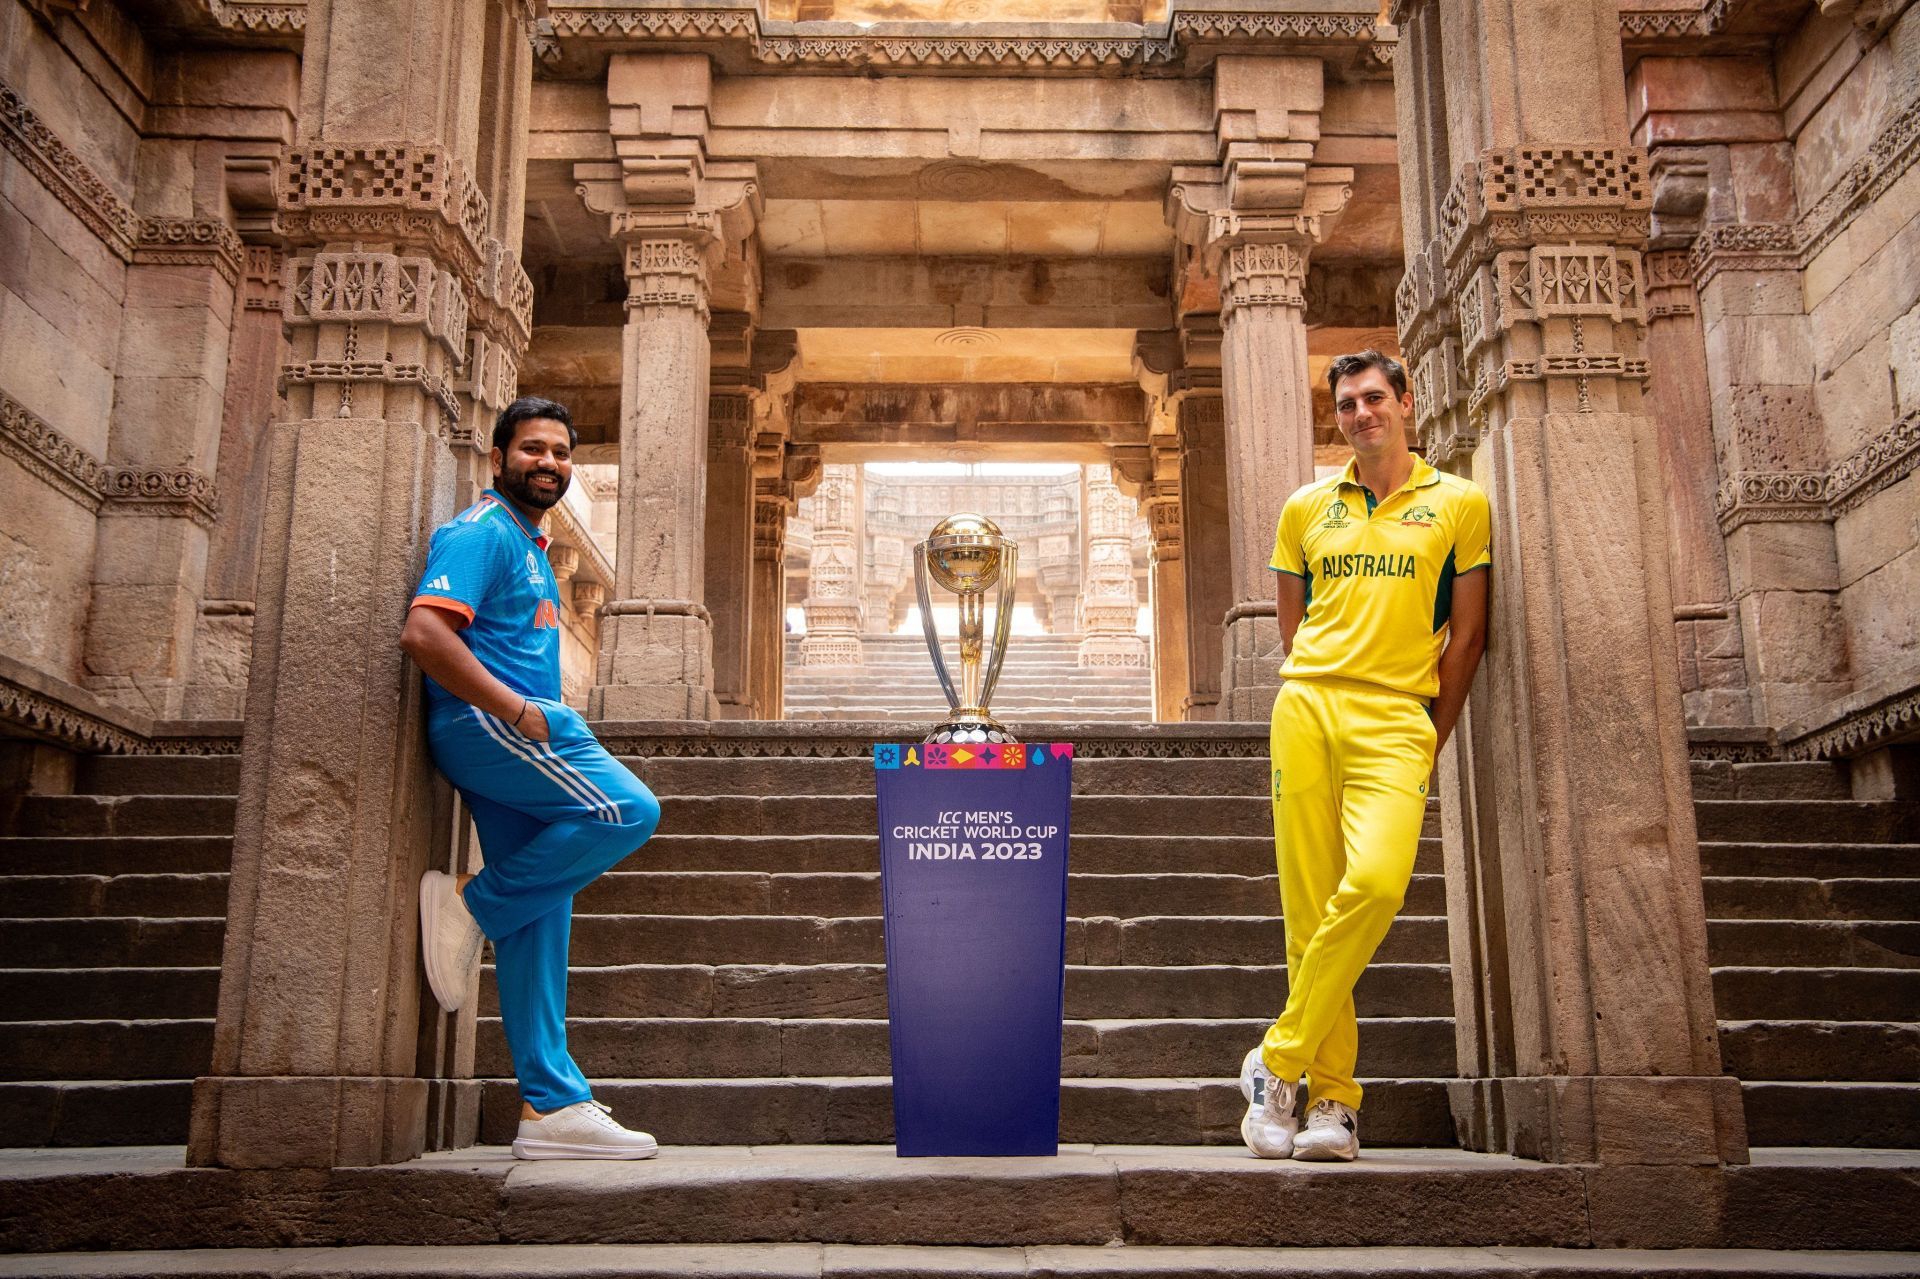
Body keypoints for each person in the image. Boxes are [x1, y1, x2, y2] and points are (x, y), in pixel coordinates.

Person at [1239, 350, 1490, 1162]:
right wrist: (1319, 690)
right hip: (1308, 708)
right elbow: (1293, 627)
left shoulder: (1460, 503)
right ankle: (1333, 1107)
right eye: (1346, 404)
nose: (1361, 414)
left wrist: (1428, 734)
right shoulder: (1306, 507)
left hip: (1396, 718)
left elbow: (1469, 635)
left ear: (1407, 401)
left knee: (1376, 884)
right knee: (1310, 916)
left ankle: (1275, 1060)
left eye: (1374, 398)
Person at [402, 395, 663, 1160]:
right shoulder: (482, 533)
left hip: (511, 736)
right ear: (498, 458)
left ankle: (551, 1108)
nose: (548, 462)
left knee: (539, 915)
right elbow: (425, 631)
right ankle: (467, 903)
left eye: (560, 452)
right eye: (532, 449)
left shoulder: (529, 543)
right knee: (628, 810)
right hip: (494, 730)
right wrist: (521, 712)